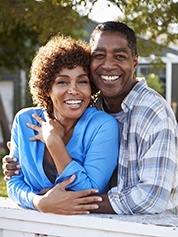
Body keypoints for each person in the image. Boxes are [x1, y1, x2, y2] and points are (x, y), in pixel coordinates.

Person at [3, 21, 178, 216]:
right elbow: (15, 181)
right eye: (99, 56)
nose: (108, 65)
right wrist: (39, 201)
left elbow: (152, 198)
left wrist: (65, 201)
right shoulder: (94, 106)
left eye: (119, 56)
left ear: (134, 62)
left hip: (159, 227)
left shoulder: (153, 113)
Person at [6, 34, 119, 212]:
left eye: (82, 81)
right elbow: (13, 182)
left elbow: (89, 192)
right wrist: (39, 202)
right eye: (62, 82)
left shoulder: (102, 126)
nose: (73, 90)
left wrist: (53, 141)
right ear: (46, 88)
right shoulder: (24, 121)